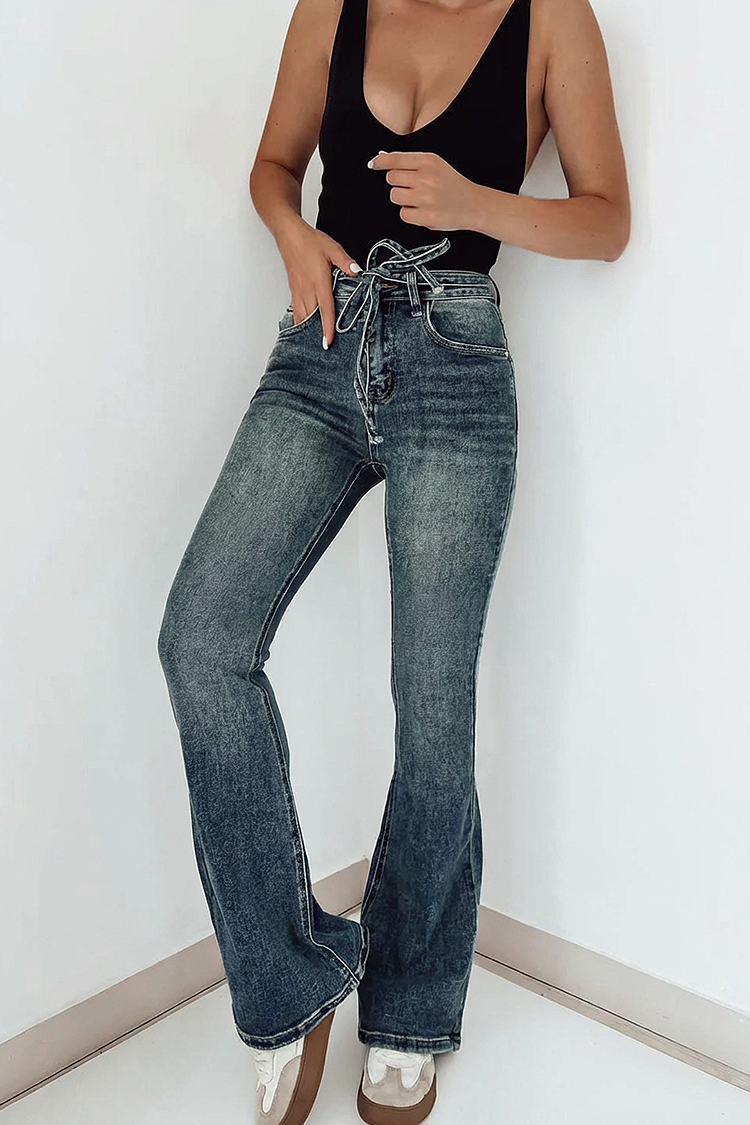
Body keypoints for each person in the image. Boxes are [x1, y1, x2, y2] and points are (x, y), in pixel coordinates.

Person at [157, 0, 630, 1121]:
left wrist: (477, 206)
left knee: (433, 712)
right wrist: (291, 232)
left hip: (458, 365)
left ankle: (412, 1006)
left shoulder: (554, 18)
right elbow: (274, 167)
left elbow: (607, 220)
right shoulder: (332, 4)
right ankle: (292, 978)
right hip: (321, 349)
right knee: (201, 639)